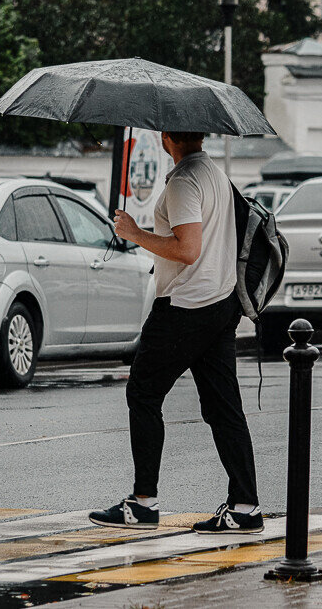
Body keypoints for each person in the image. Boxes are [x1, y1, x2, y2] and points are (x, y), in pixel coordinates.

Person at [89, 131, 263, 534]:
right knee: (224, 408)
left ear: (166, 137)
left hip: (185, 305)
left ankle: (143, 503)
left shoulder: (185, 180)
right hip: (221, 303)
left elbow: (188, 250)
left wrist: (134, 234)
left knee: (143, 393)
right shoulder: (216, 174)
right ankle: (245, 507)